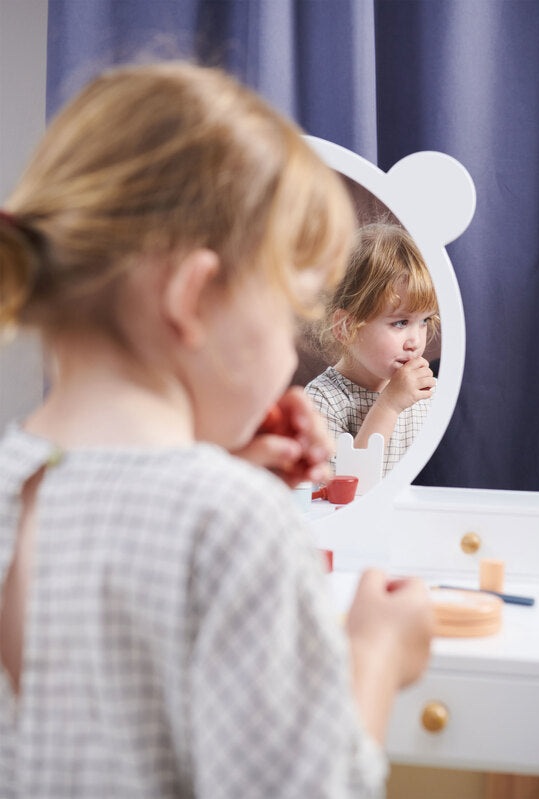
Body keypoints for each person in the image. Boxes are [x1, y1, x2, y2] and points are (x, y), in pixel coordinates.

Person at [0, 62, 432, 798]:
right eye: (290, 305)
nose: (287, 348)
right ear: (194, 297)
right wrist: (375, 656)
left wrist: (224, 460)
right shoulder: (233, 522)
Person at [305, 223, 439, 476]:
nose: (416, 341)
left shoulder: (426, 394)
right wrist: (388, 405)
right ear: (346, 327)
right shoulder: (323, 400)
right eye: (400, 322)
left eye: (425, 321)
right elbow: (342, 485)